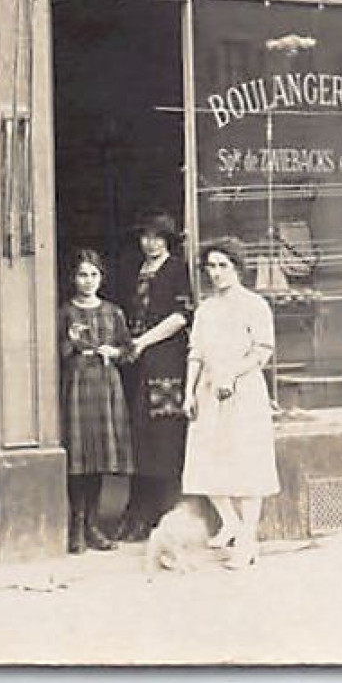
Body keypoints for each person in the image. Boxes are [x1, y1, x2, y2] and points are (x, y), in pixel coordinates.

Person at [182, 236, 281, 568]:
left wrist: (232, 375)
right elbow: (195, 353)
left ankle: (248, 541)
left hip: (244, 392)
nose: (216, 273)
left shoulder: (254, 305)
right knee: (205, 462)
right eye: (211, 266)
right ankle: (232, 523)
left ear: (237, 268)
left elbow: (262, 350)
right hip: (209, 391)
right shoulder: (206, 309)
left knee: (246, 465)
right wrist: (187, 392)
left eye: (223, 265)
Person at [117, 210, 194, 543]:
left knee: (164, 433)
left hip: (166, 358)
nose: (150, 243)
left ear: (167, 241)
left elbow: (180, 316)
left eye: (157, 237)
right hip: (138, 359)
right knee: (140, 433)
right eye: (146, 237)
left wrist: (144, 341)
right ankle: (137, 512)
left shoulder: (176, 269)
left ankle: (160, 514)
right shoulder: (135, 270)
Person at [57, 250, 134, 554]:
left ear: (101, 278)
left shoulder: (113, 312)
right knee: (78, 458)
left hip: (105, 386)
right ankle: (75, 527)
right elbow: (54, 353)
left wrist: (114, 352)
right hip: (77, 384)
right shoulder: (64, 312)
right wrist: (70, 341)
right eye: (82, 275)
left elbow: (127, 349)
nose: (87, 281)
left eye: (93, 275)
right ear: (73, 278)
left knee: (100, 456)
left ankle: (93, 525)